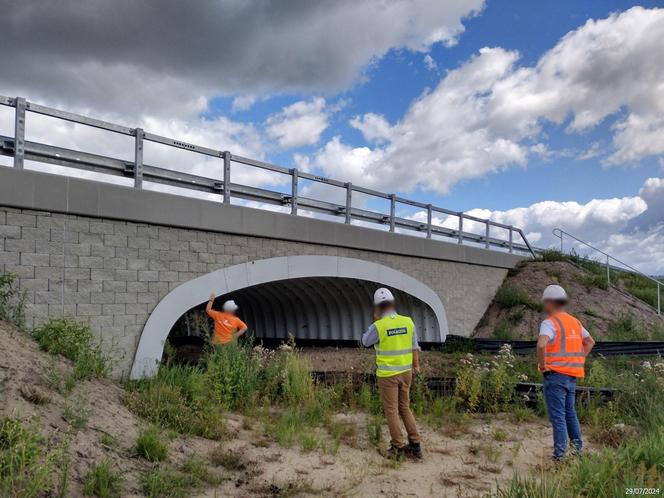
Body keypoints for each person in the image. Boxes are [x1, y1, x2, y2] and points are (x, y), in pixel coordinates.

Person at [362, 287, 422, 460]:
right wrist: (416, 366)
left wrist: (374, 320)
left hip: (388, 375)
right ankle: (416, 445)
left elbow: (365, 341)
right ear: (393, 303)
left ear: (378, 307)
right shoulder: (408, 322)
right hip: (406, 372)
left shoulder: (379, 326)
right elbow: (414, 346)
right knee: (405, 408)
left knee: (391, 410)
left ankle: (397, 447)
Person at [537, 284, 595, 461]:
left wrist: (542, 365)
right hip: (571, 376)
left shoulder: (550, 322)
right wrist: (579, 358)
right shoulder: (575, 322)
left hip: (555, 376)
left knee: (558, 417)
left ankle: (559, 456)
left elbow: (541, 344)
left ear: (550, 302)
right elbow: (590, 341)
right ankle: (577, 451)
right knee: (570, 414)